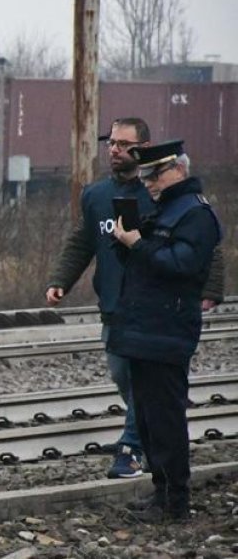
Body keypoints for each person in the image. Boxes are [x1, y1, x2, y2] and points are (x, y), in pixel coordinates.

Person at [44, 118, 227, 480]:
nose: (115, 150)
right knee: (123, 374)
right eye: (111, 143)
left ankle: (133, 449)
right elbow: (82, 241)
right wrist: (60, 280)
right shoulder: (96, 196)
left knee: (145, 380)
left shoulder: (160, 196)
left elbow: (206, 244)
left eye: (124, 144)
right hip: (114, 301)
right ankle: (153, 439)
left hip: (152, 307)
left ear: (142, 148)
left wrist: (211, 288)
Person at [109, 140, 221, 523]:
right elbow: (148, 265)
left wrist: (138, 245)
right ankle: (161, 491)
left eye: (154, 175)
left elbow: (183, 266)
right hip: (144, 329)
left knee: (167, 420)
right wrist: (126, 244)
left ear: (178, 170)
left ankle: (176, 502)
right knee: (148, 420)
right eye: (144, 176)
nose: (149, 183)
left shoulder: (195, 214)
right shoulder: (163, 210)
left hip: (167, 330)